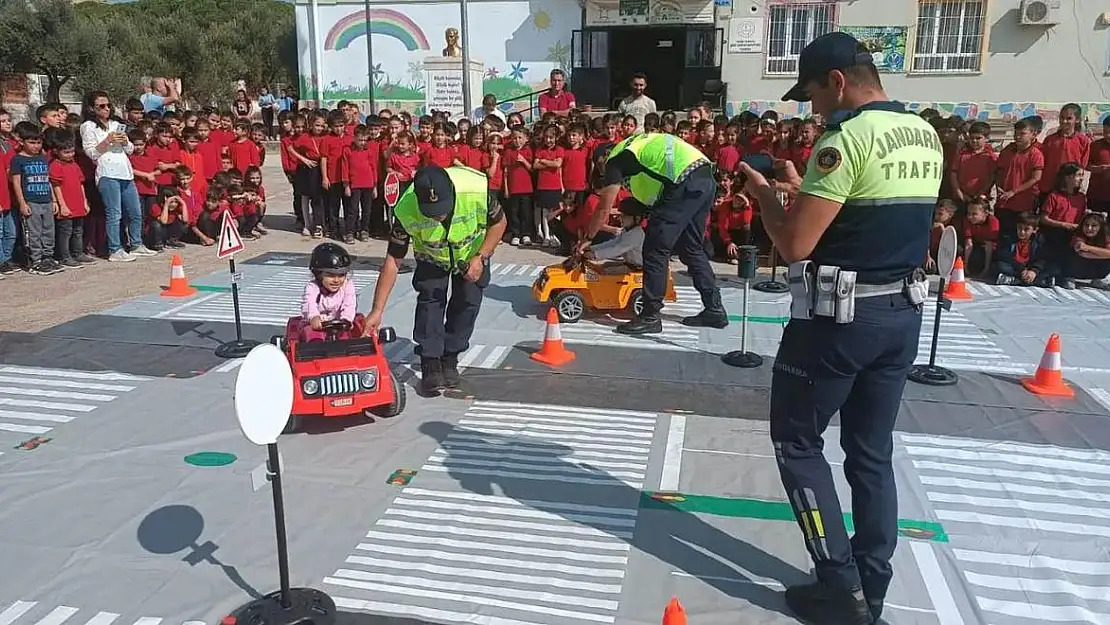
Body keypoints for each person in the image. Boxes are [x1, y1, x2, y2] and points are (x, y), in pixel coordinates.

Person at [736, 32, 940, 625]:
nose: (813, 108)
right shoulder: (923, 133)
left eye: (815, 95)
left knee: (797, 443)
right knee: (871, 453)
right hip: (901, 312)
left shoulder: (844, 138)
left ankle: (838, 584)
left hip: (839, 321)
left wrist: (766, 197)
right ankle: (874, 585)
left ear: (840, 82)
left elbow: (797, 243)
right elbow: (872, 214)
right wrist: (804, 192)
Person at [361, 165, 507, 395]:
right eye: (431, 211)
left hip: (471, 254)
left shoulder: (476, 190)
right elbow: (393, 260)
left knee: (467, 303)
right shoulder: (406, 209)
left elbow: (499, 223)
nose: (439, 216)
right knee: (430, 302)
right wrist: (377, 309)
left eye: (443, 209)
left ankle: (450, 358)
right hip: (432, 258)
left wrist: (481, 257)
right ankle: (430, 362)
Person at [575, 129, 728, 335]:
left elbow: (603, 207)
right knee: (690, 248)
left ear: (603, 158)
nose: (604, 173)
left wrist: (587, 239)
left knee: (655, 250)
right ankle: (714, 309)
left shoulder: (616, 160)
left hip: (683, 184)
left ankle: (650, 316)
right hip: (704, 177)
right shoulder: (638, 146)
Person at [80, 90, 155, 262]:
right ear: (92, 108)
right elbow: (91, 153)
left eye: (108, 105)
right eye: (101, 106)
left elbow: (130, 150)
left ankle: (137, 244)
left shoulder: (116, 123)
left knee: (136, 212)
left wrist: (124, 141)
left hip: (125, 172)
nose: (106, 109)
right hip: (107, 173)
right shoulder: (88, 127)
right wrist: (107, 141)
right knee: (114, 213)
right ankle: (115, 249)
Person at [302, 242, 358, 342]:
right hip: (316, 326)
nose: (336, 280)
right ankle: (315, 354)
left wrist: (346, 319)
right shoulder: (313, 287)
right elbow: (309, 304)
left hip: (340, 324)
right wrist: (313, 317)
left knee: (347, 337)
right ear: (318, 274)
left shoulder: (347, 286)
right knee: (313, 338)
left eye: (341, 275)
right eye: (331, 275)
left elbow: (350, 304)